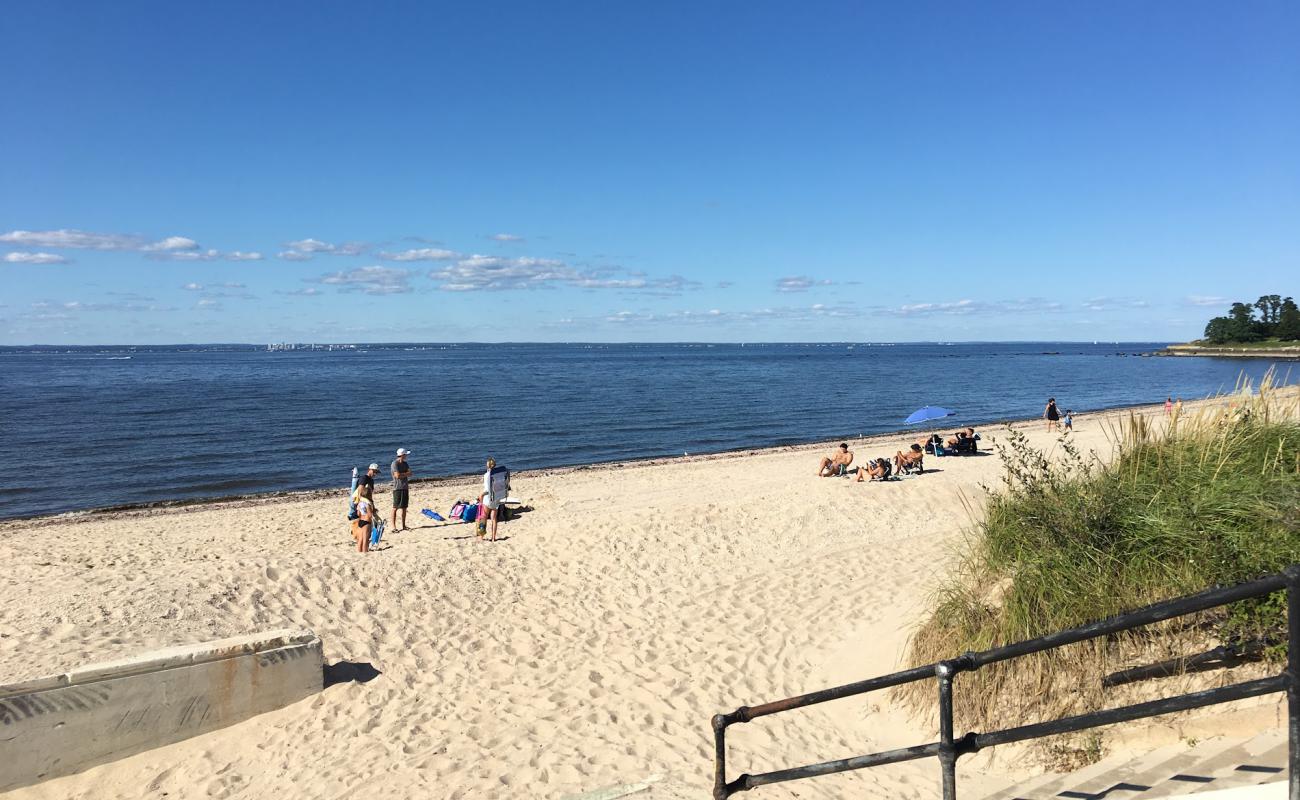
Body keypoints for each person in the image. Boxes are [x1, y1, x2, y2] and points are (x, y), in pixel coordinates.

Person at [480, 457, 509, 542]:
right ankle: (493, 538)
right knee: (494, 519)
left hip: (488, 499)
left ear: (488, 466)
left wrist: (481, 497)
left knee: (484, 517)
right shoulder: (499, 474)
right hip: (496, 498)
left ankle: (481, 536)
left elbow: (487, 490)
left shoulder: (486, 475)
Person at [350, 481, 375, 553]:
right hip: (367, 522)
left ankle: (359, 551)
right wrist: (373, 512)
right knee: (365, 539)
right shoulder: (368, 504)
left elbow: (358, 513)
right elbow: (370, 515)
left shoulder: (360, 503)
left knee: (360, 539)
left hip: (360, 521)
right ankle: (365, 551)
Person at [390, 448, 412, 532]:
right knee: (395, 507)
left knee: (404, 507)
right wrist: (405, 474)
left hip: (405, 487)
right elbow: (397, 476)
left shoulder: (405, 463)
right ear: (402, 455)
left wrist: (403, 474)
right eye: (406, 454)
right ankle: (393, 527)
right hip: (397, 488)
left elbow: (410, 473)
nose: (407, 456)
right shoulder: (394, 463)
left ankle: (404, 525)